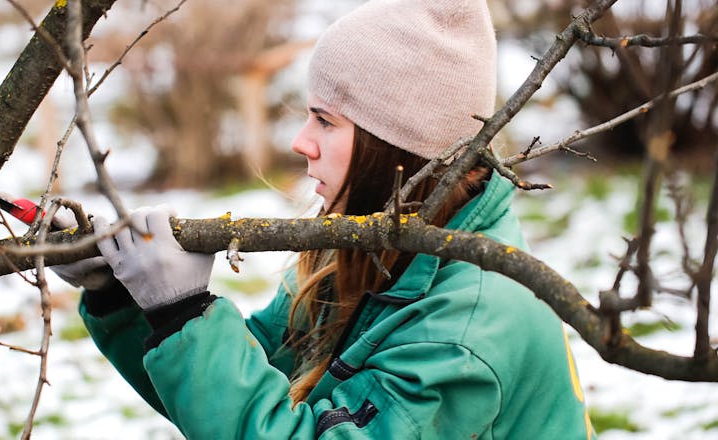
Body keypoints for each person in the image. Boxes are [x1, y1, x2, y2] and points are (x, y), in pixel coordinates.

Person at [56, 0, 594, 437]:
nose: (300, 142)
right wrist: (126, 299)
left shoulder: (465, 335)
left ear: (395, 146)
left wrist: (184, 315)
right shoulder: (367, 253)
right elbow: (241, 392)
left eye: (325, 121)